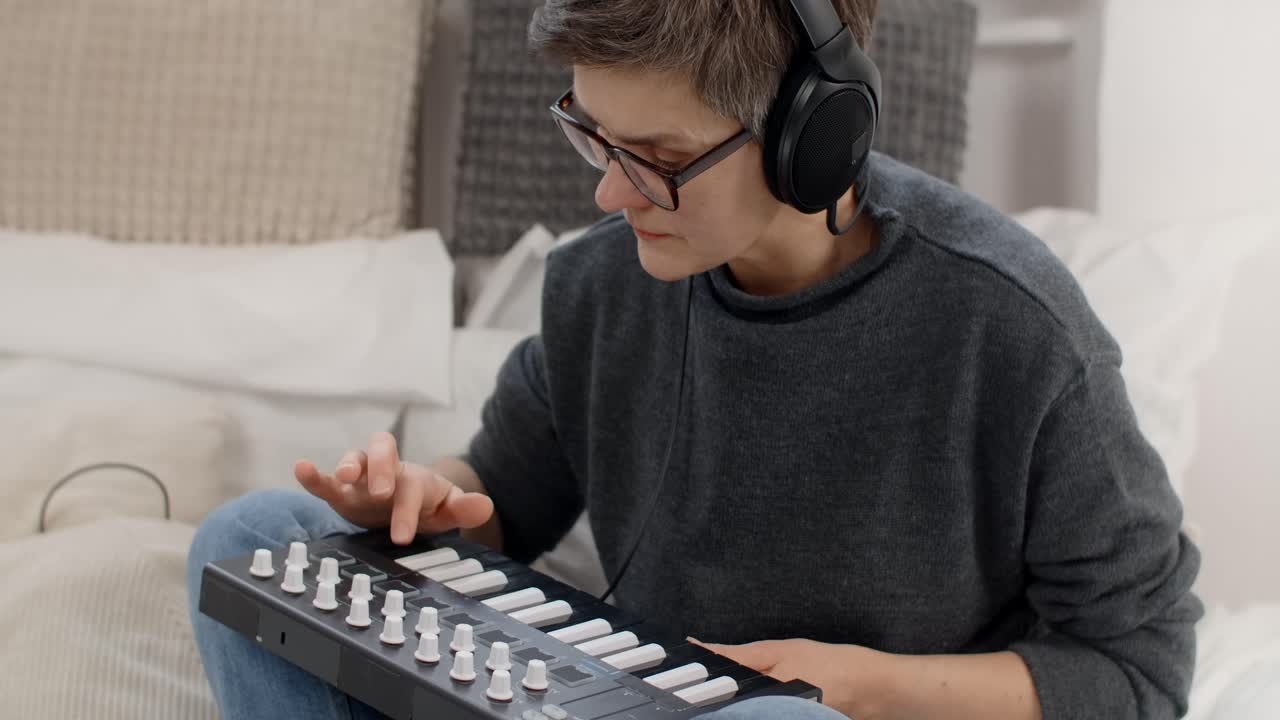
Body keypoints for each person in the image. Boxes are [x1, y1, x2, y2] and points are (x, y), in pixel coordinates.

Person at [187, 1, 1202, 718]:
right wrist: (421, 499)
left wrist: (855, 687)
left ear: (815, 135)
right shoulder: (598, 284)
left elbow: (1137, 669)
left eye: (660, 162)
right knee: (261, 536)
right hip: (622, 702)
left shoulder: (1012, 326)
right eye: (594, 138)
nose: (608, 197)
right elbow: (503, 499)